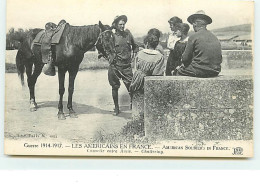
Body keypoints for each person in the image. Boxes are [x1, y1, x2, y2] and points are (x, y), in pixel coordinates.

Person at [129, 34, 165, 135]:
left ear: (147, 43)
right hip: (148, 81)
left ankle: (135, 126)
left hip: (137, 80)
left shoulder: (140, 53)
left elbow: (135, 68)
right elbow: (157, 74)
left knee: (137, 101)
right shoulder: (159, 56)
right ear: (156, 44)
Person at [176, 10, 222, 77]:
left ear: (195, 24)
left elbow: (185, 59)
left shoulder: (193, 37)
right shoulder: (214, 37)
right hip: (215, 70)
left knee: (178, 72)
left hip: (200, 70)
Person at [109, 15, 139, 116]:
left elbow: (135, 47)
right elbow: (106, 49)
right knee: (114, 87)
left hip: (126, 67)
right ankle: (116, 108)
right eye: (120, 24)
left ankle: (135, 107)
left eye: (123, 24)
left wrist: (134, 57)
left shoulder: (128, 35)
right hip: (115, 67)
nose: (122, 26)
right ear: (116, 25)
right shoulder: (111, 36)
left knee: (131, 87)